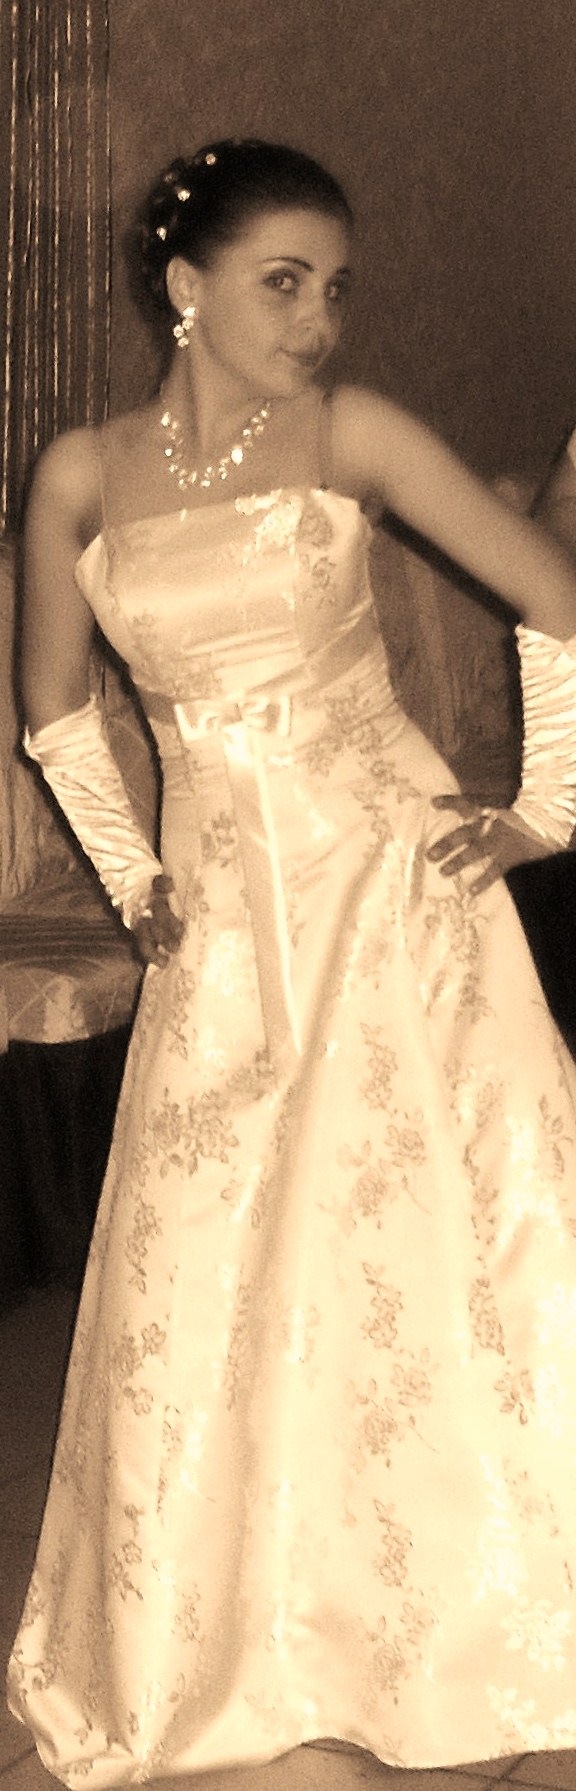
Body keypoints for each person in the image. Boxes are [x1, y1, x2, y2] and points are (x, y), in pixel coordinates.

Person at [7, 138, 576, 1785]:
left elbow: (556, 594)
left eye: (335, 287)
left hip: (390, 882)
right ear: (186, 289)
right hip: (225, 923)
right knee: (215, 1259)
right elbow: (53, 705)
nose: (319, 319)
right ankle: (246, 1630)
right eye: (284, 283)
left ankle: (478, 1617)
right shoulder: (81, 475)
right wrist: (133, 879)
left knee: (437, 1237)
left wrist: (545, 811)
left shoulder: (355, 433)